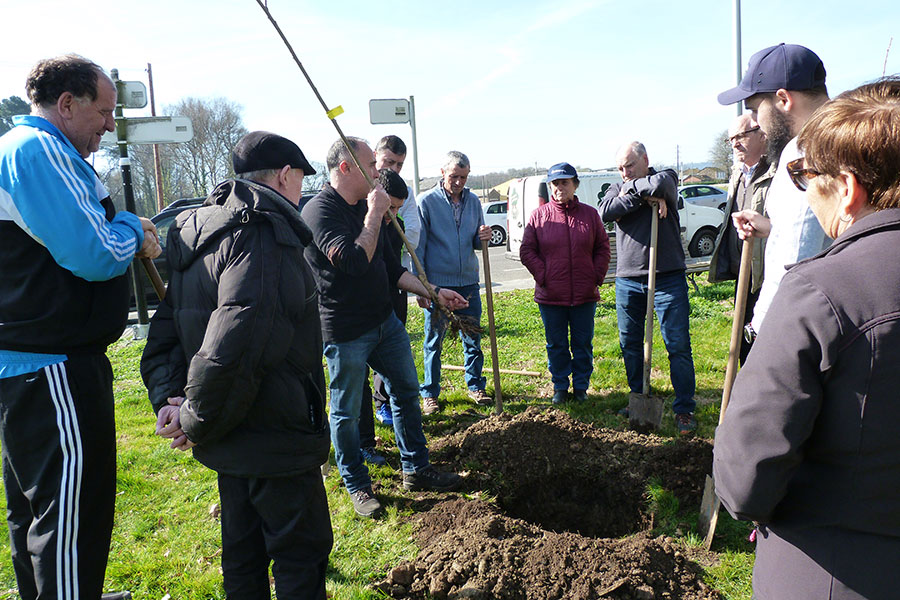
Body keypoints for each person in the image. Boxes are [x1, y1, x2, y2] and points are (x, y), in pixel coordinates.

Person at [713, 77, 900, 600]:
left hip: (836, 572)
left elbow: (747, 476)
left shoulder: (822, 292)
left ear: (847, 189)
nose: (802, 190)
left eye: (805, 176)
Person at [140, 131, 333, 598]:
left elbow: (166, 327)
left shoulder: (198, 228)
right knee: (299, 557)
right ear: (285, 175)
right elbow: (238, 345)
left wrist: (174, 403)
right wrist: (192, 417)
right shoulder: (265, 234)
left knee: (242, 557)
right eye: (301, 178)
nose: (302, 189)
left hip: (229, 437)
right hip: (275, 435)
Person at [0, 55, 160, 600]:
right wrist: (134, 231)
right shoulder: (40, 150)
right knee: (69, 520)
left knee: (38, 513)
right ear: (66, 104)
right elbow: (93, 252)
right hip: (53, 369)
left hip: (29, 365)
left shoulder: (22, 150)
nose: (109, 124)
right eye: (104, 111)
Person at [301, 137, 466, 518]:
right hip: (345, 331)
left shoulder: (364, 205)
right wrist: (374, 214)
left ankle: (416, 468)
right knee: (345, 409)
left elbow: (391, 269)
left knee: (407, 390)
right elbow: (354, 261)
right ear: (346, 168)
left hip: (384, 322)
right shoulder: (319, 213)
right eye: (370, 167)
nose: (379, 173)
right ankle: (357, 484)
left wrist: (435, 292)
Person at [717, 43, 831, 340]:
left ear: (783, 99)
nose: (756, 123)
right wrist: (772, 227)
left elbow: (795, 259)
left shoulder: (804, 152)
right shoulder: (852, 137)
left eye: (756, 109)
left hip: (806, 326)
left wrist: (763, 328)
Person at [598, 142, 697, 435]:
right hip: (629, 279)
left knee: (677, 343)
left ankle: (684, 408)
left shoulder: (665, 177)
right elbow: (606, 210)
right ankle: (638, 395)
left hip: (667, 276)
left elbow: (663, 184)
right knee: (630, 343)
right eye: (620, 168)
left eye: (630, 165)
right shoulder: (618, 187)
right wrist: (644, 197)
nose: (625, 172)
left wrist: (647, 191)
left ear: (645, 160)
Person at [520, 162, 610, 404]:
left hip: (584, 294)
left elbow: (602, 247)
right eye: (555, 183)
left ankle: (581, 387)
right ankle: (560, 386)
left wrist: (595, 276)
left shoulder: (590, 215)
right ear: (550, 186)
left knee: (582, 343)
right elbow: (527, 250)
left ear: (575, 184)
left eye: (565, 182)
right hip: (551, 296)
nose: (560, 187)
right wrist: (544, 275)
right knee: (556, 344)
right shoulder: (539, 216)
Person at [415, 151, 493, 415]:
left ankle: (476, 386)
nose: (458, 182)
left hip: (468, 282)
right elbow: (420, 246)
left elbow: (475, 242)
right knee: (434, 340)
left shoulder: (473, 202)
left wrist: (483, 236)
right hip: (438, 285)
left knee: (472, 337)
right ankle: (429, 393)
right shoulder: (426, 202)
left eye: (463, 177)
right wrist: (423, 285)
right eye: (453, 176)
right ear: (442, 172)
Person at [707, 114, 773, 364]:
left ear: (761, 134)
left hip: (766, 273)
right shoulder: (737, 174)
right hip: (742, 270)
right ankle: (746, 384)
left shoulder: (776, 172)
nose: (735, 143)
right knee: (743, 333)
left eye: (741, 136)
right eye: (731, 138)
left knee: (765, 334)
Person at [357, 169, 410, 465]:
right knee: (357, 384)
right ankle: (364, 443)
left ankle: (408, 449)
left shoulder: (395, 226)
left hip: (390, 307)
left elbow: (393, 270)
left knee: (397, 379)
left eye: (398, 208)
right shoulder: (362, 223)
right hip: (358, 315)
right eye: (390, 207)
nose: (393, 214)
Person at [369, 135, 421, 428]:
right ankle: (365, 427)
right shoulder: (361, 202)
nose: (394, 168)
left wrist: (426, 286)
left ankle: (385, 401)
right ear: (376, 158)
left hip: (395, 286)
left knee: (392, 352)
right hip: (358, 305)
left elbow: (410, 237)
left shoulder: (402, 200)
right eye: (389, 162)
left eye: (400, 164)